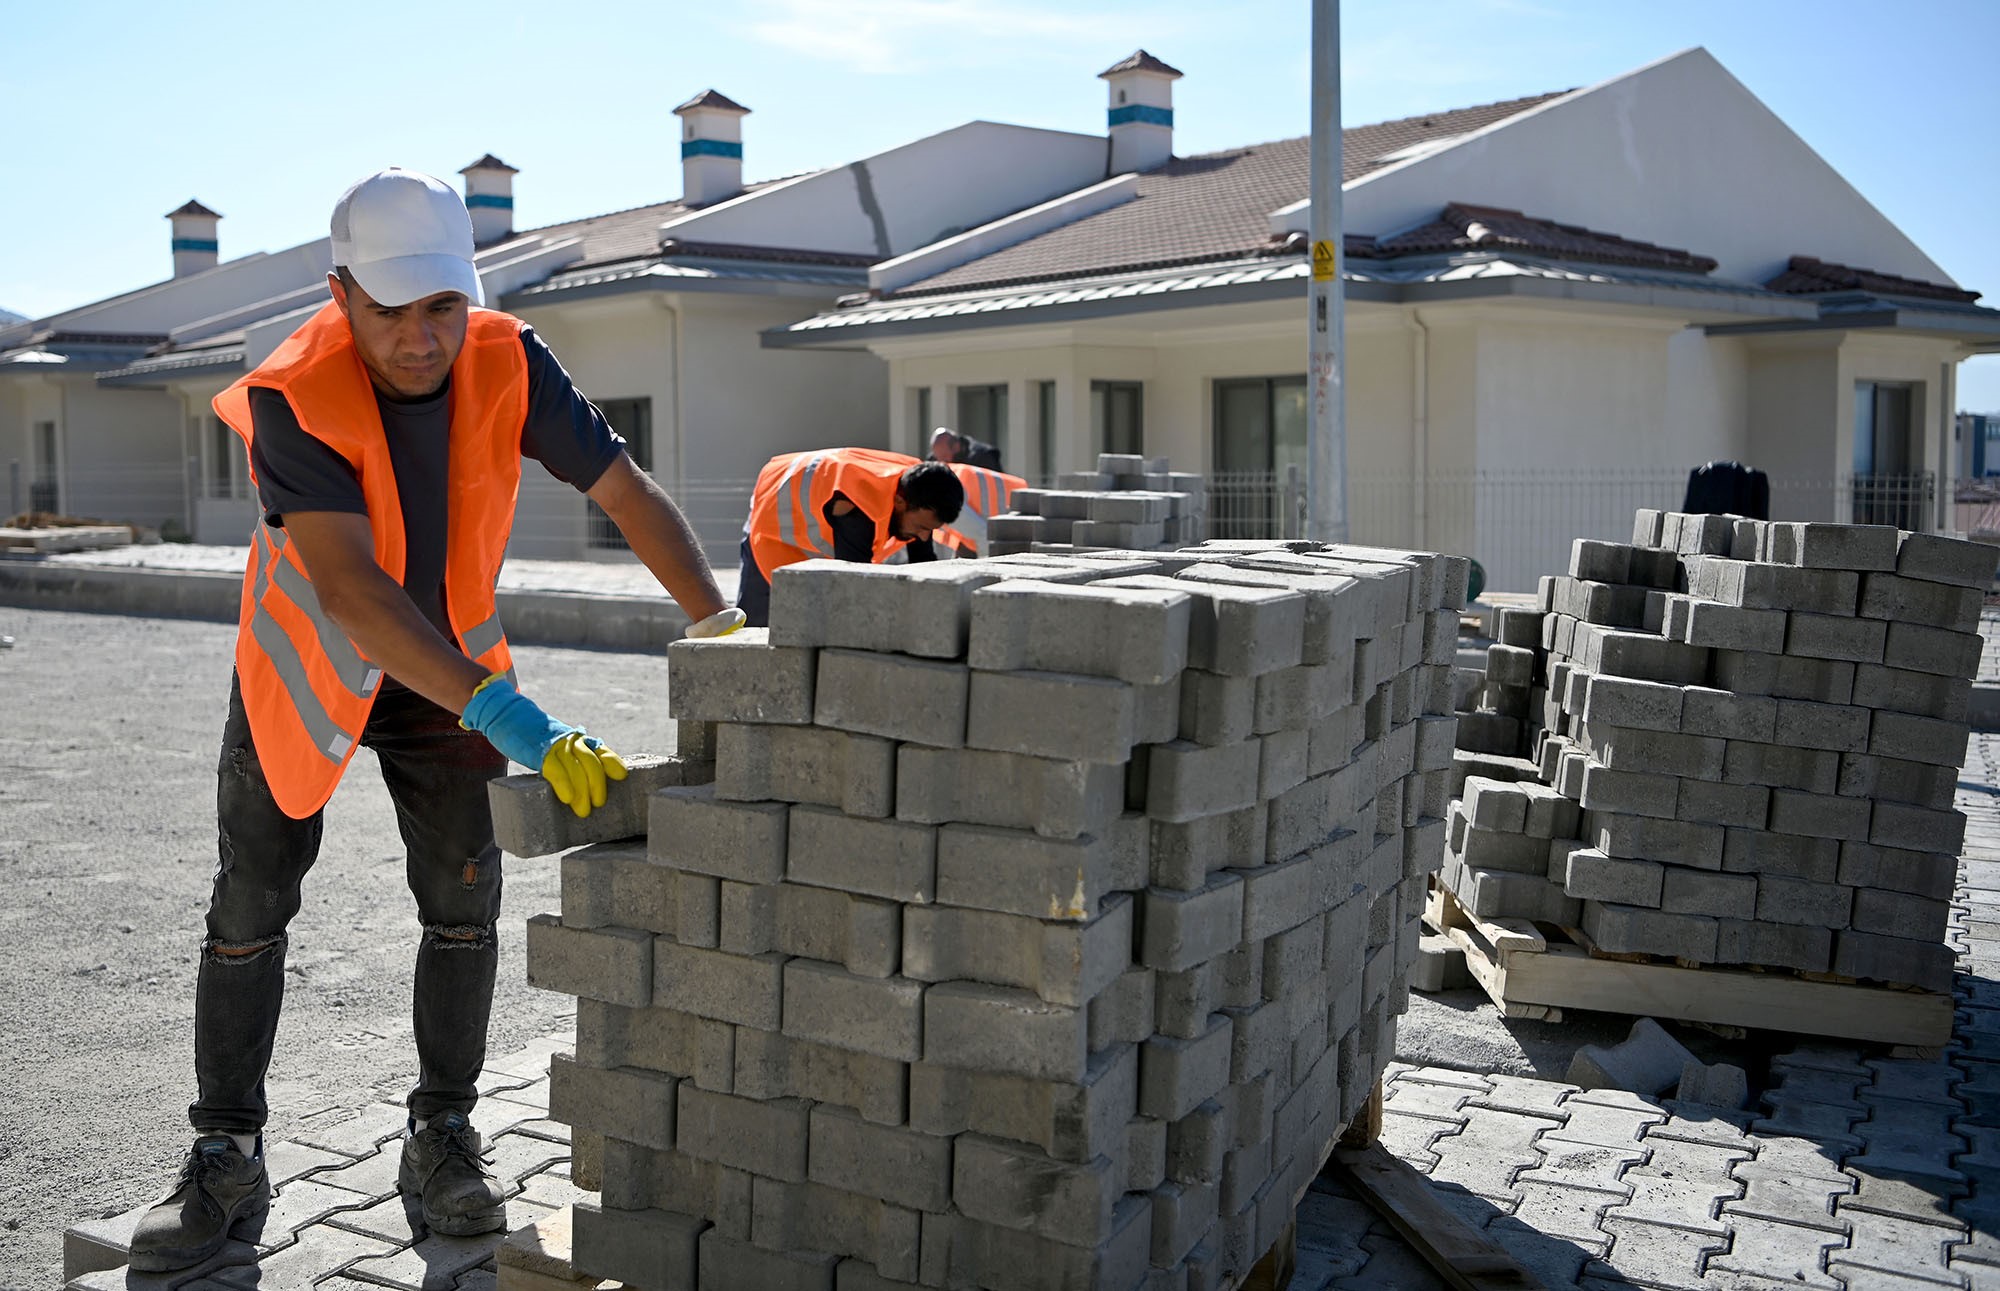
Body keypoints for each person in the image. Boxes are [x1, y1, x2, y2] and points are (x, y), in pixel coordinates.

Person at [128, 168, 742, 1272]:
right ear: (340, 292)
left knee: (463, 899)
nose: (422, 337)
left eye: (442, 307)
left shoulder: (509, 357)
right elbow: (355, 597)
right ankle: (225, 1152)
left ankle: (443, 1134)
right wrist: (517, 718)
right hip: (309, 664)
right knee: (251, 903)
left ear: (471, 292)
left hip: (445, 661)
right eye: (391, 310)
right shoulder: (293, 389)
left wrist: (721, 624)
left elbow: (625, 490)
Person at [735, 448, 964, 626]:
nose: (923, 536)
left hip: (814, 502)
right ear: (900, 502)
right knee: (759, 625)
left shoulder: (921, 486)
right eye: (922, 527)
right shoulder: (855, 507)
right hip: (771, 510)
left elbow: (923, 564)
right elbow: (854, 589)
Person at [928, 425, 1003, 472]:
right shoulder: (933, 460)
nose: (942, 463)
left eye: (945, 457)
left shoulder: (983, 457)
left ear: (956, 447)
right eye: (938, 458)